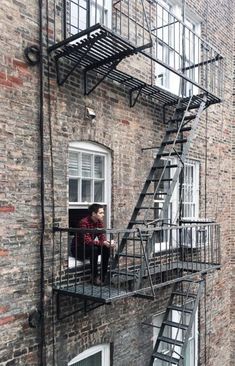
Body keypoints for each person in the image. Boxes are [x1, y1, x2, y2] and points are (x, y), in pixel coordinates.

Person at [71, 204, 115, 286]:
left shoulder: (99, 222)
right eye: (101, 213)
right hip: (78, 249)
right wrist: (103, 243)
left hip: (89, 247)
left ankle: (103, 277)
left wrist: (107, 243)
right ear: (94, 214)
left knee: (106, 248)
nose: (103, 214)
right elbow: (87, 241)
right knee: (93, 249)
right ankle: (94, 277)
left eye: (103, 212)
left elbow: (101, 237)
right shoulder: (83, 222)